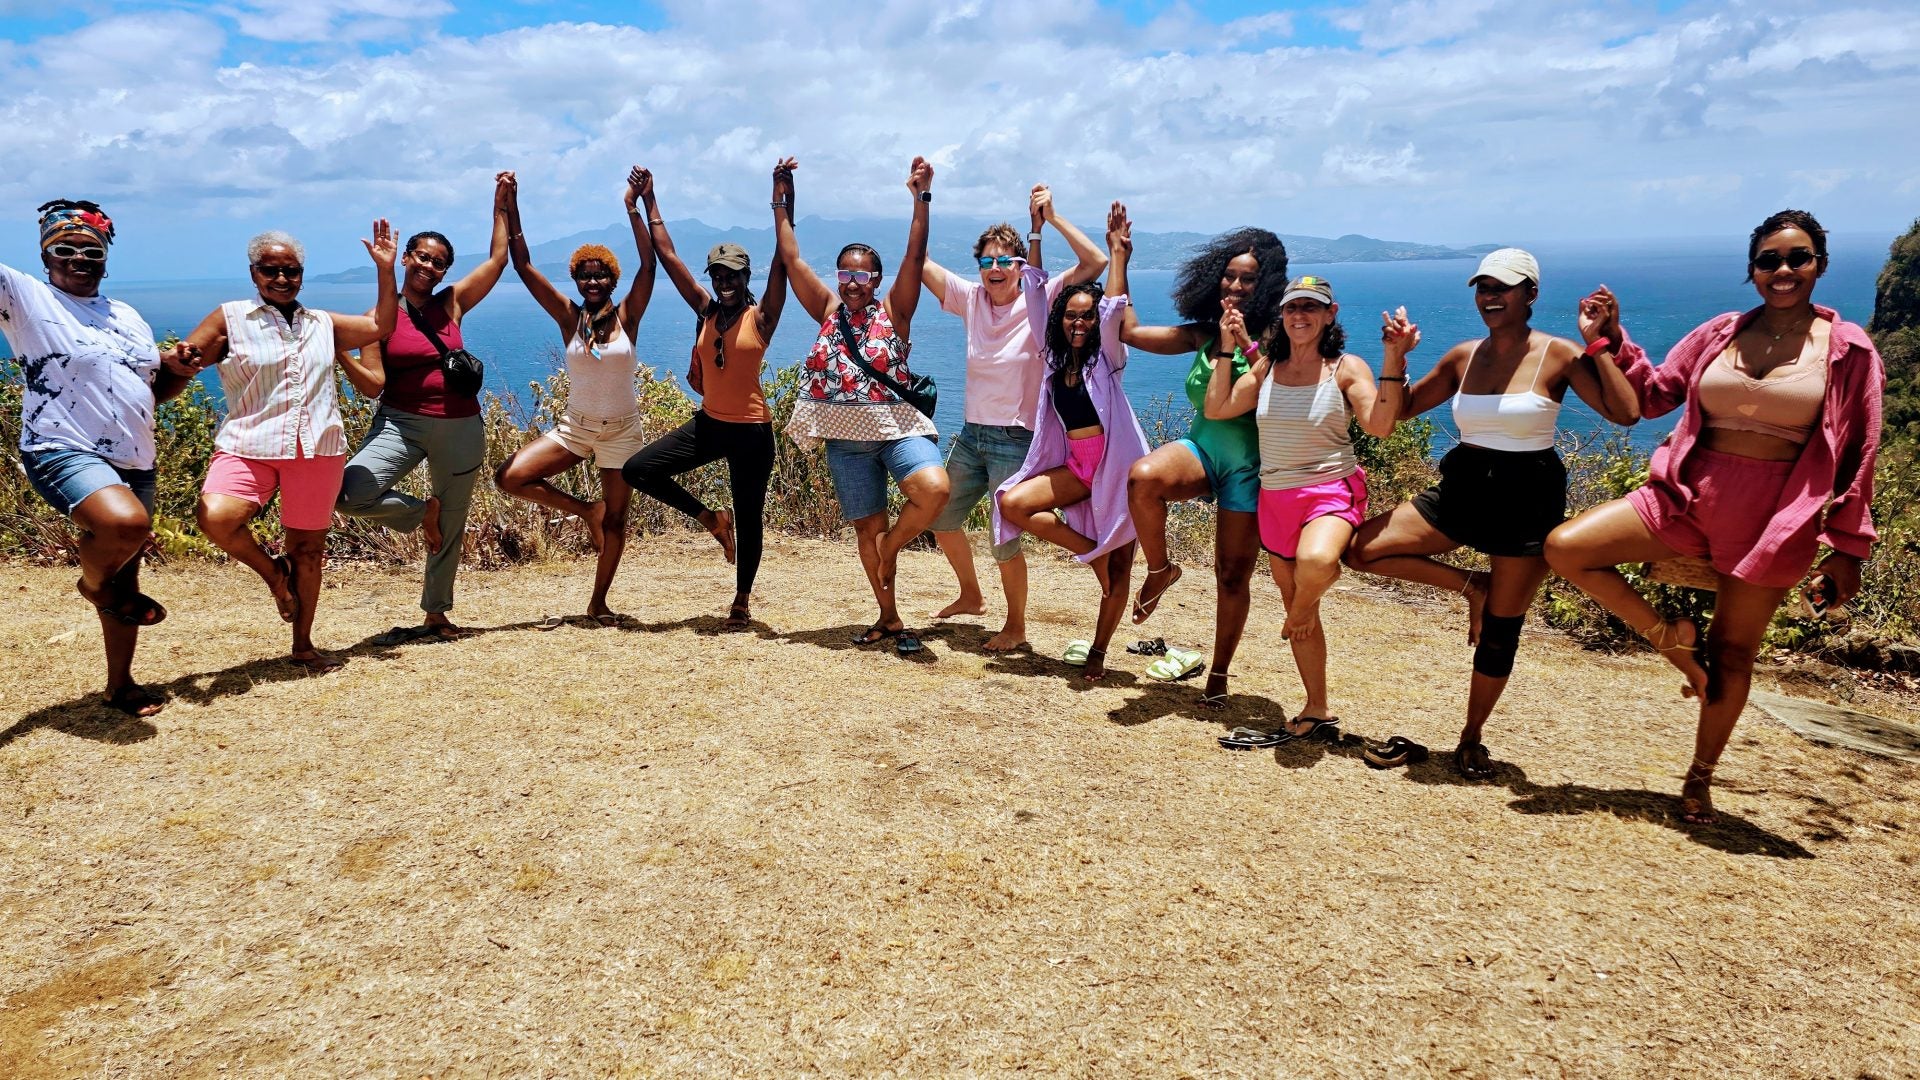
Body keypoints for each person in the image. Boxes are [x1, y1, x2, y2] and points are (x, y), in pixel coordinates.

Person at [1545, 211, 1883, 824]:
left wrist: (1847, 548)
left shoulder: (1849, 350)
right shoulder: (1721, 332)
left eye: (1798, 258)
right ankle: (1672, 641)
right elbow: (1654, 394)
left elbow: (1861, 449)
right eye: (1769, 260)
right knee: (1567, 547)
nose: (1783, 271)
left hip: (1778, 514)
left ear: (1819, 265)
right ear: (1752, 269)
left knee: (1733, 654)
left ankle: (1700, 777)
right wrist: (1612, 339)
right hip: (1686, 494)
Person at [1343, 248, 1639, 779]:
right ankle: (1470, 585)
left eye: (1503, 287)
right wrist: (1394, 357)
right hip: (1463, 487)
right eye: (1483, 288)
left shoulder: (1561, 354)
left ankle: (1471, 736)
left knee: (1501, 632)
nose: (1490, 297)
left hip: (1529, 495)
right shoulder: (1464, 356)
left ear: (1530, 294)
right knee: (1363, 550)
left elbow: (1626, 413)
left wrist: (1599, 342)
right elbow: (1404, 407)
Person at [170, 223, 398, 673]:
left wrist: (386, 271)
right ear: (254, 273)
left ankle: (304, 646)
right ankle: (274, 574)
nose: (281, 278)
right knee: (217, 516)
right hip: (248, 444)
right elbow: (187, 358)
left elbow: (380, 325)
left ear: (301, 274)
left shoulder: (322, 324)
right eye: (271, 270)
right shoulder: (231, 318)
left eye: (290, 271)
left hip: (318, 448)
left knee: (308, 550)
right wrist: (177, 360)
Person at [3, 200, 198, 715]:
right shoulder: (27, 297)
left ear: (106, 257)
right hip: (61, 446)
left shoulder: (127, 316)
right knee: (125, 527)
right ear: (46, 257)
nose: (77, 258)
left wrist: (177, 368)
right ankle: (90, 585)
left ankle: (120, 685)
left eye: (90, 250)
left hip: (136, 456)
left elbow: (152, 392)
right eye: (64, 250)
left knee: (127, 579)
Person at [1201, 275, 1415, 737]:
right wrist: (1225, 348)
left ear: (1329, 314)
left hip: (1330, 490)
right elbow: (1217, 407)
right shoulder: (1267, 368)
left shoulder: (1345, 368)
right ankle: (1316, 706)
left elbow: (1379, 426)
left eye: (1311, 308)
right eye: (1293, 307)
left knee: (1315, 564)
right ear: (1282, 314)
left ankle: (1297, 612)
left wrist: (1393, 359)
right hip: (1275, 498)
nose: (1301, 315)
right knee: (1302, 598)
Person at [775, 156, 950, 656]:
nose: (853, 282)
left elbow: (915, 256)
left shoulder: (895, 310)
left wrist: (920, 198)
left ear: (876, 278)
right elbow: (791, 260)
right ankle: (889, 618)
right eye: (845, 273)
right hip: (846, 446)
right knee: (865, 531)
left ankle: (894, 547)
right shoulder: (828, 311)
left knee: (933, 489)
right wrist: (781, 199)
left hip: (897, 429)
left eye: (864, 274)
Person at [922, 184, 1108, 652]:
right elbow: (917, 262)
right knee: (941, 518)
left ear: (1022, 266)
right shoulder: (970, 300)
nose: (995, 269)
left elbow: (1095, 264)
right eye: (987, 262)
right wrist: (920, 200)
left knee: (1004, 539)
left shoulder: (1041, 298)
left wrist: (1049, 219)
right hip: (972, 435)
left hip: (1015, 438)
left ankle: (1017, 627)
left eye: (1006, 260)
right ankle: (970, 594)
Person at [1115, 224, 1290, 708]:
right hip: (1203, 449)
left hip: (1251, 471)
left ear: (1268, 284)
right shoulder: (1205, 333)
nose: (1234, 287)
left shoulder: (1279, 338)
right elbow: (1127, 329)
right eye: (1228, 277)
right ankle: (1159, 568)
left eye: (1247, 279)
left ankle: (1218, 672)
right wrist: (1120, 258)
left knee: (1231, 576)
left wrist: (1237, 344)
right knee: (1143, 477)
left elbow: (1250, 399)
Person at [334, 173, 513, 641]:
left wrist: (502, 205)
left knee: (453, 519)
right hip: (401, 422)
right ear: (405, 257)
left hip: (460, 424)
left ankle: (436, 613)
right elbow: (372, 386)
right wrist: (340, 354)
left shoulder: (451, 304)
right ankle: (419, 514)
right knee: (349, 494)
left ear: (444, 271)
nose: (428, 267)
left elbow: (499, 258)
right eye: (421, 257)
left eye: (438, 263)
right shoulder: (381, 315)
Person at [621, 166, 788, 630]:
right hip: (710, 424)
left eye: (732, 275)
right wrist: (648, 201)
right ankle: (712, 518)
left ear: (745, 276)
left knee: (751, 515)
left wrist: (782, 202)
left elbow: (783, 262)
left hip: (752, 432)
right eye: (718, 275)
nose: (724, 282)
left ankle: (741, 599)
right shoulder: (706, 308)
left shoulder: (763, 318)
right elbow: (668, 255)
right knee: (639, 469)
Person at [992, 202, 1148, 681]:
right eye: (1071, 316)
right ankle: (1091, 553)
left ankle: (1099, 653)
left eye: (1085, 317)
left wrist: (1117, 256)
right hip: (1079, 467)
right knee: (1013, 504)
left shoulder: (1108, 360)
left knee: (1120, 572)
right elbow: (1036, 293)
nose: (1078, 324)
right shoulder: (1054, 358)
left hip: (1118, 469)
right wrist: (1035, 231)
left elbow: (1113, 310)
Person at [494, 169, 657, 622]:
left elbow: (650, 267)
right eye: (585, 276)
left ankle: (598, 602)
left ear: (612, 280)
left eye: (601, 274)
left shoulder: (629, 315)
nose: (593, 282)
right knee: (510, 477)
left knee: (617, 521)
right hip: (576, 427)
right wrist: (511, 205)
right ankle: (585, 510)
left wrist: (635, 207)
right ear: (576, 280)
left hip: (622, 431)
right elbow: (523, 267)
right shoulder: (569, 318)